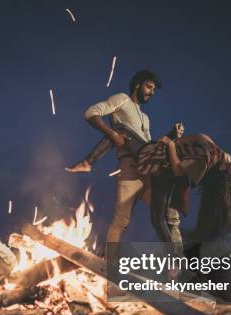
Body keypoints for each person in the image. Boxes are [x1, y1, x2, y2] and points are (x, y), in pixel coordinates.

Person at [66, 70, 184, 255]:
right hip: (129, 170)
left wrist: (171, 135)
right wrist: (112, 133)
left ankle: (177, 264)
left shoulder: (146, 118)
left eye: (154, 89)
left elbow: (149, 147)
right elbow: (92, 112)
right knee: (121, 221)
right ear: (137, 85)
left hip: (148, 170)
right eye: (148, 86)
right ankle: (108, 267)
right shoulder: (122, 99)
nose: (151, 92)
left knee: (169, 214)